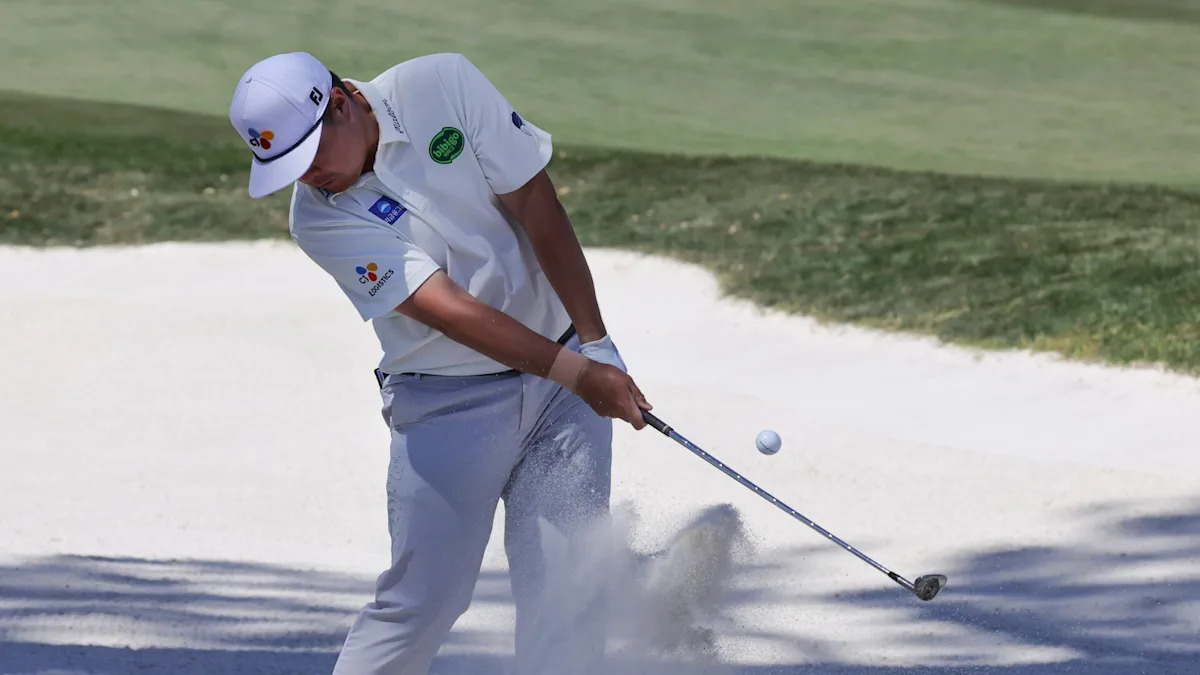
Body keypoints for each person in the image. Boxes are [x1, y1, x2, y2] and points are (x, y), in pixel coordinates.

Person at [227, 51, 652, 673]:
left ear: (340, 104)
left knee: (567, 591)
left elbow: (535, 201)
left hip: (563, 384)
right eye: (287, 167)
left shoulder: (441, 84)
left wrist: (596, 344)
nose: (307, 176)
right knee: (424, 602)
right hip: (449, 406)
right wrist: (582, 374)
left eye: (309, 155)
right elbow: (448, 310)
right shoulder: (316, 217)